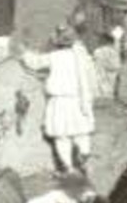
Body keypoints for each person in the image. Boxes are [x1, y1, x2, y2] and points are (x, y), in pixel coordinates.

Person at [38, 26, 98, 174]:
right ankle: (84, 158)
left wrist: (22, 53)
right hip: (78, 99)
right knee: (81, 132)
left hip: (60, 101)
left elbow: (35, 62)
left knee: (61, 136)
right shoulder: (82, 57)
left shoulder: (54, 57)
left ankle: (68, 167)